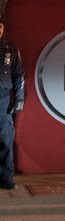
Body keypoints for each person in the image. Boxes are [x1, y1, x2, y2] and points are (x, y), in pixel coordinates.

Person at [0, 15, 24, 190]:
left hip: (3, 99)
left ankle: (5, 177)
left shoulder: (10, 50)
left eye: (0, 27)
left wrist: (19, 98)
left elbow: (18, 75)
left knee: (5, 138)